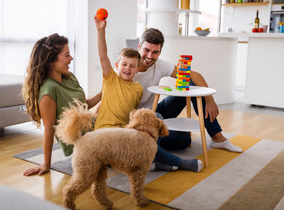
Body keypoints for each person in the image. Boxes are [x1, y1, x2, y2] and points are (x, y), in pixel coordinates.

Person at [94, 17, 202, 172]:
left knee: (171, 138)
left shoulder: (137, 89)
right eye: (124, 65)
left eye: (132, 66)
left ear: (138, 69)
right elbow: (102, 55)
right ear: (117, 66)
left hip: (126, 130)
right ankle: (179, 163)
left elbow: (132, 112)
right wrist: (100, 30)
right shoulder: (111, 80)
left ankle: (149, 161)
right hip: (107, 134)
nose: (127, 68)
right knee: (122, 151)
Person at [133, 28, 243, 153]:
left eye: (155, 52)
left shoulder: (160, 65)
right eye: (146, 50)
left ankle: (217, 137)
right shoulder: (127, 67)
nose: (149, 56)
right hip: (136, 120)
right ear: (139, 47)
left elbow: (195, 76)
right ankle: (147, 140)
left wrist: (210, 100)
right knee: (183, 139)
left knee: (192, 84)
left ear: (160, 52)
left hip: (155, 111)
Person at [22, 33, 102, 176]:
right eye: (67, 55)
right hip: (80, 143)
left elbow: (85, 105)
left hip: (92, 128)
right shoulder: (48, 91)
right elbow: (49, 129)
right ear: (51, 60)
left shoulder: (70, 78)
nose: (71, 59)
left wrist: (106, 91)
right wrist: (46, 164)